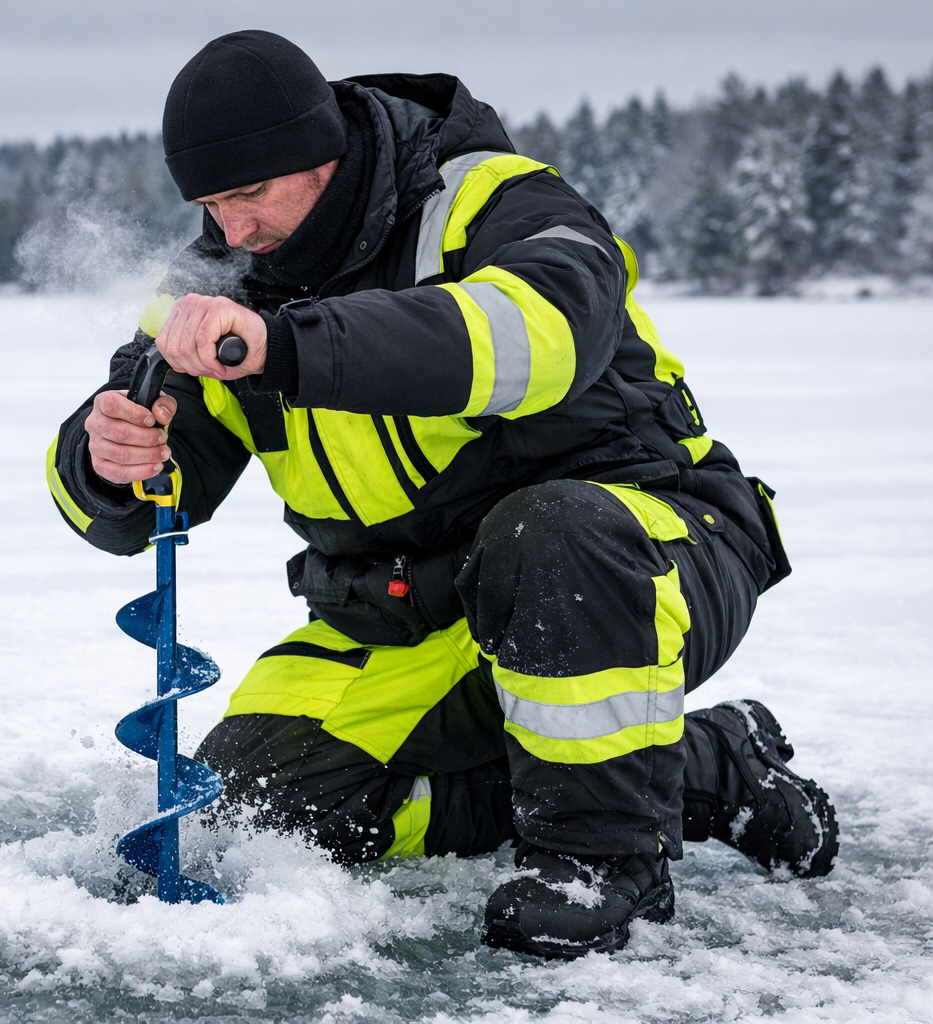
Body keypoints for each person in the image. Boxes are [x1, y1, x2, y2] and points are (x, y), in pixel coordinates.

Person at [44, 30, 838, 959]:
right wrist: (110, 460)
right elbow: (124, 486)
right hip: (416, 607)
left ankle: (600, 858)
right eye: (211, 204)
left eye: (251, 194)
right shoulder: (217, 282)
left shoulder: (495, 200)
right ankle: (703, 765)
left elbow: (542, 339)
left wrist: (290, 346)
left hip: (643, 556)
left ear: (324, 153)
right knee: (262, 812)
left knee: (549, 533)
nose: (233, 231)